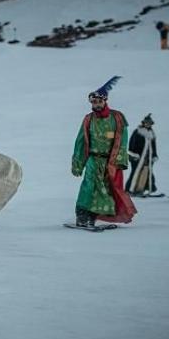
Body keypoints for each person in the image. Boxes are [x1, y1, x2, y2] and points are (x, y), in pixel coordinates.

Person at [71, 76, 137, 227]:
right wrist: (78, 163)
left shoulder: (117, 118)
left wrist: (119, 160)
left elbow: (123, 140)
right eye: (93, 102)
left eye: (99, 101)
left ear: (105, 101)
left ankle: (93, 217)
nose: (96, 104)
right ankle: (82, 216)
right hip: (93, 160)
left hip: (110, 162)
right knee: (88, 187)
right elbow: (80, 142)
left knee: (106, 190)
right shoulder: (89, 119)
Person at [126, 113, 159, 196]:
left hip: (147, 158)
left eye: (149, 123)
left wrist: (154, 155)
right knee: (135, 173)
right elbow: (132, 143)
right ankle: (129, 189)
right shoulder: (137, 132)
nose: (148, 124)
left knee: (146, 173)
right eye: (146, 123)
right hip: (137, 158)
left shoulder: (151, 133)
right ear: (143, 123)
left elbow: (153, 146)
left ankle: (140, 189)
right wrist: (133, 154)